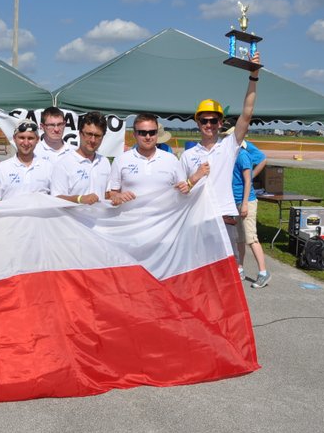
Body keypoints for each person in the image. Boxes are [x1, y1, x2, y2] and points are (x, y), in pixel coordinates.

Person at [180, 52, 262, 282]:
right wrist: (194, 178)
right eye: (204, 120)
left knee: (227, 276)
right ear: (198, 123)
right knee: (199, 275)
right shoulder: (187, 156)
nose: (209, 125)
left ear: (220, 123)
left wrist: (253, 77)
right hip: (197, 221)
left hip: (224, 220)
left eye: (213, 120)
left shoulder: (228, 147)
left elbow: (247, 114)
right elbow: (181, 191)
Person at [108, 113, 191, 205]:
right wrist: (117, 196)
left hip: (164, 219)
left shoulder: (172, 160)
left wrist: (186, 188)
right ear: (134, 134)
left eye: (152, 132)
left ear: (157, 134)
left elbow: (183, 191)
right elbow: (111, 194)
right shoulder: (120, 160)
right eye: (143, 133)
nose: (148, 137)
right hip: (130, 218)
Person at [50, 111, 111, 205]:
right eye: (89, 134)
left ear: (103, 137)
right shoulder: (63, 164)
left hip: (99, 219)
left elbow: (107, 194)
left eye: (97, 136)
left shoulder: (104, 162)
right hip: (73, 219)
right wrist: (79, 199)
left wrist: (116, 197)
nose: (93, 140)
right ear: (80, 133)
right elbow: (55, 199)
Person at [0, 119, 52, 203]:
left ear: (37, 140)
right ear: (14, 139)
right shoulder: (1, 169)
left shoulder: (48, 168)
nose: (26, 143)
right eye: (21, 137)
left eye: (30, 138)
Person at [233, 145, 270, 287]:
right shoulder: (230, 154)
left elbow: (248, 181)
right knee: (239, 238)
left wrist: (245, 204)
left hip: (245, 201)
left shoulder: (242, 155)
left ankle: (263, 272)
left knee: (251, 238)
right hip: (235, 201)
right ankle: (239, 268)